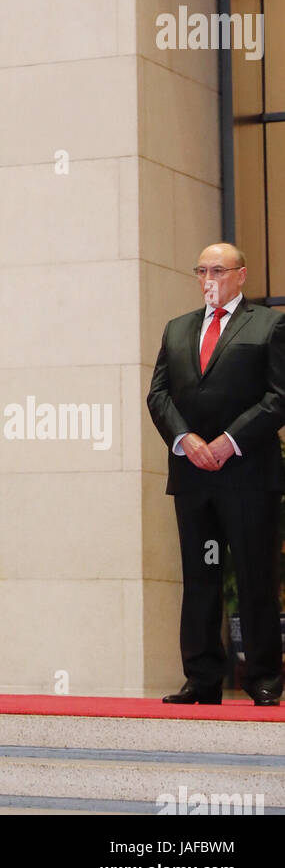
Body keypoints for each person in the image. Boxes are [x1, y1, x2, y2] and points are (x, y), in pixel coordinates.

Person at [148, 243, 285, 707]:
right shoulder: (177, 328)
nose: (209, 278)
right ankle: (202, 678)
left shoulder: (268, 323)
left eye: (219, 271)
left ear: (241, 275)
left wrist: (229, 441)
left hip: (247, 475)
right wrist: (187, 440)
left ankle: (264, 678)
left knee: (254, 577)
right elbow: (159, 396)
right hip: (194, 478)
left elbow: (278, 397)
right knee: (201, 576)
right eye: (202, 270)